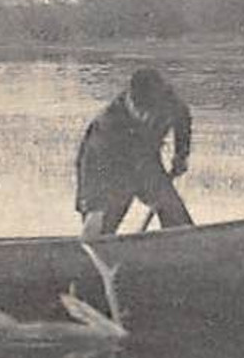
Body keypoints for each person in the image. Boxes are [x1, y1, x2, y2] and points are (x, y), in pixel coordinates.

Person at [75, 67, 193, 239]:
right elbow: (92, 167)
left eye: (151, 112)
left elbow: (182, 118)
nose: (147, 118)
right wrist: (94, 207)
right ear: (131, 101)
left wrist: (180, 155)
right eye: (142, 112)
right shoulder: (107, 126)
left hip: (146, 164)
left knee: (174, 214)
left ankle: (185, 248)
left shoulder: (168, 101)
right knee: (100, 230)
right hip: (112, 172)